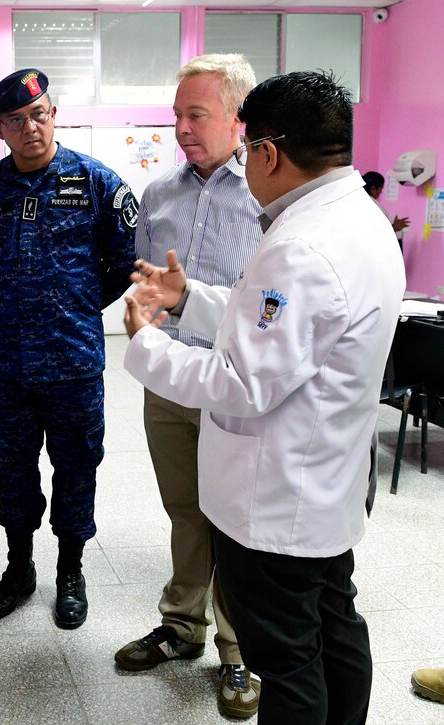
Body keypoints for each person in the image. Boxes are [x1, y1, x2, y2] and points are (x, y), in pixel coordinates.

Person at [123, 71, 406, 723]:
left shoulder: (301, 245)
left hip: (274, 502)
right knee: (334, 628)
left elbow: (240, 382)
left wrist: (145, 343)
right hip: (326, 485)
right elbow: (279, 329)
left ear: (267, 152)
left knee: (286, 661)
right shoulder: (357, 218)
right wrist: (190, 298)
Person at [0, 69, 138, 630]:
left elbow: (123, 262)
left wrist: (78, 304)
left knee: (77, 467)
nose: (31, 127)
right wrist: (15, 300)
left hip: (73, 361)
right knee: (11, 468)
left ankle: (70, 571)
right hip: (7, 364)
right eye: (16, 121)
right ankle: (19, 568)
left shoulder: (98, 183)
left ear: (54, 114)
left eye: (39, 115)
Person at [114, 54, 263, 718]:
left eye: (194, 115)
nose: (181, 128)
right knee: (185, 508)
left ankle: (238, 650)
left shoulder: (267, 194)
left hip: (236, 384)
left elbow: (272, 301)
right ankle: (181, 625)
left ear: (238, 118)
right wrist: (145, 308)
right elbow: (149, 279)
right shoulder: (159, 195)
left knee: (235, 518)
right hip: (171, 378)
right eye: (176, 115)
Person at [362, 170, 410, 248]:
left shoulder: (362, 202)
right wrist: (394, 227)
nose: (381, 192)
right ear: (373, 189)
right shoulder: (373, 206)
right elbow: (376, 232)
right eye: (381, 189)